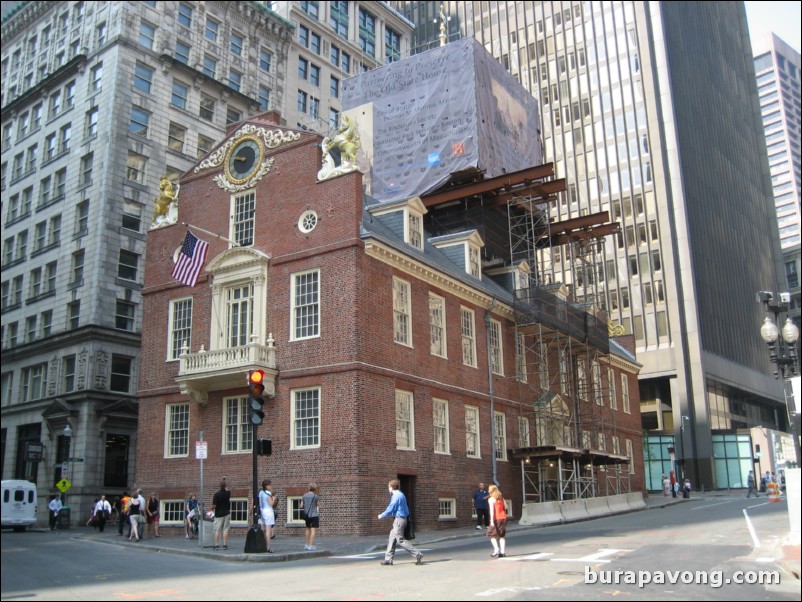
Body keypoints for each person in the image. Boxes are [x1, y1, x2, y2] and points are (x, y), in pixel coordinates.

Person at [378, 479, 423, 566]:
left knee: (400, 540)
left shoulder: (396, 496)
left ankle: (418, 554)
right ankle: (388, 559)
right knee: (392, 538)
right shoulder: (401, 494)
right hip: (402, 519)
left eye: (388, 487)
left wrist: (382, 515)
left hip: (399, 520)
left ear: (391, 487)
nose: (388, 489)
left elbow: (391, 507)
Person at [487, 484, 508, 558]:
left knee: (491, 534)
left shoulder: (491, 499)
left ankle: (496, 550)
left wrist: (491, 521)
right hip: (503, 518)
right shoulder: (501, 498)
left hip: (497, 519)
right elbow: (506, 507)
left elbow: (492, 511)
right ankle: (502, 552)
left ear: (491, 491)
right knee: (501, 536)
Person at [212, 479, 232, 551]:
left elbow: (214, 505)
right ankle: (224, 545)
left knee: (217, 530)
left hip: (218, 514)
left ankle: (216, 545)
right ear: (225, 486)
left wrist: (212, 509)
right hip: (226, 513)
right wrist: (225, 485)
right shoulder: (228, 493)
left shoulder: (216, 495)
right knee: (225, 529)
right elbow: (227, 490)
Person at [300, 482, 320, 550]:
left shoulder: (304, 495)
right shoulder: (316, 496)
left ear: (309, 488)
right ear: (315, 489)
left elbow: (301, 506)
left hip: (307, 515)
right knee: (313, 529)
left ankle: (307, 544)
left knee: (307, 529)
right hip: (314, 514)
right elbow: (318, 505)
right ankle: (311, 545)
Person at [258, 479, 275, 553]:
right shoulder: (268, 493)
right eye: (270, 485)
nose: (271, 486)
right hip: (268, 512)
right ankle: (268, 547)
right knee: (268, 530)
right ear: (266, 486)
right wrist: (274, 498)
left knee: (263, 530)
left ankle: (264, 545)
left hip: (262, 511)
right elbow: (271, 504)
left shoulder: (261, 492)